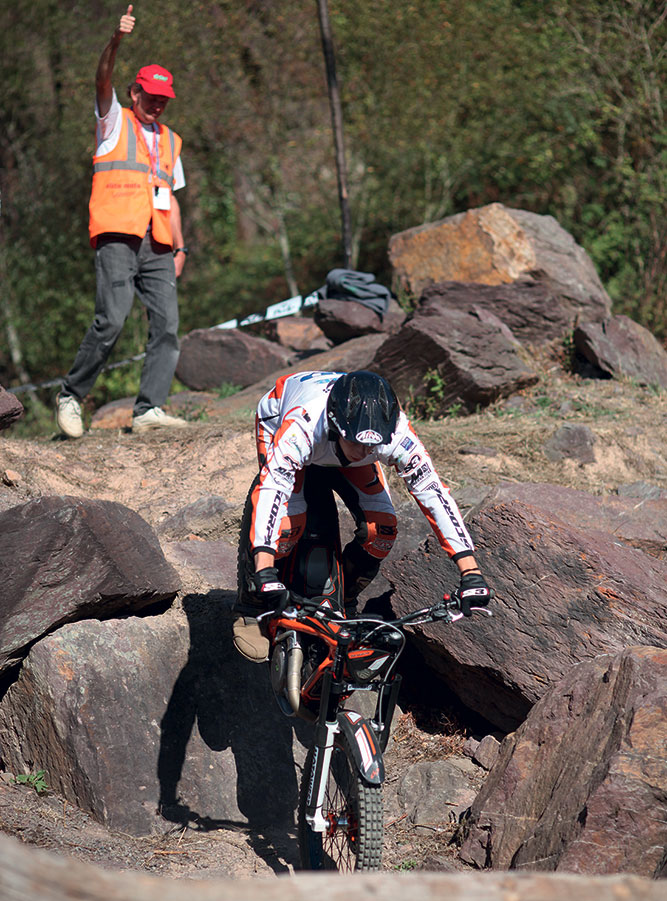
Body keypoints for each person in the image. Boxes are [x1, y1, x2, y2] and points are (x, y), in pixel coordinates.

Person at [232, 369, 491, 661]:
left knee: (381, 531)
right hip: (282, 416)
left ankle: (344, 602)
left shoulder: (396, 434)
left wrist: (471, 572)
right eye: (357, 442)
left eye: (372, 445)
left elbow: (434, 495)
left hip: (336, 440)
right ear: (334, 424)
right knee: (286, 528)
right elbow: (271, 491)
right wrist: (264, 570)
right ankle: (251, 608)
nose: (365, 451)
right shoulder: (303, 426)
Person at [56, 4, 189, 438]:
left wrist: (181, 247)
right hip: (118, 237)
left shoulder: (170, 140)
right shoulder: (112, 122)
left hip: (159, 244)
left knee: (167, 326)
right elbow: (101, 79)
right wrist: (115, 41)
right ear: (134, 93)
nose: (157, 104)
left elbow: (172, 197)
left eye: (163, 99)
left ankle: (149, 408)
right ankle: (71, 395)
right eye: (151, 96)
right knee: (112, 319)